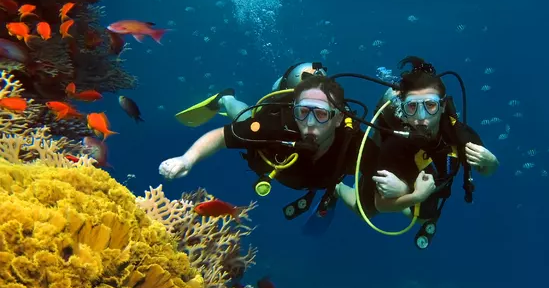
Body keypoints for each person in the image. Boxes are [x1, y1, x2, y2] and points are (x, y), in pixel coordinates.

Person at [160, 72, 365, 234]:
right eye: (303, 112)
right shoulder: (277, 126)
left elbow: (385, 178)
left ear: (338, 118)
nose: (310, 123)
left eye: (321, 114)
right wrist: (187, 159)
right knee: (245, 118)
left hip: (324, 178)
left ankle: (335, 189)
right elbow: (221, 136)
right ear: (294, 110)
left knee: (337, 184)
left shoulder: (353, 142)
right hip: (265, 155)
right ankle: (226, 99)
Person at [336, 56, 499, 248]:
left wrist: (492, 162)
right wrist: (415, 196)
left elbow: (486, 170)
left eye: (430, 105)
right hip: (403, 177)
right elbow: (381, 205)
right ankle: (336, 187)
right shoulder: (394, 144)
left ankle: (408, 196)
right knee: (365, 210)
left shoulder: (460, 135)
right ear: (403, 109)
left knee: (423, 218)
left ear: (443, 105)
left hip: (427, 184)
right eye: (412, 107)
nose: (422, 118)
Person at [174, 62, 330, 128]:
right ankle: (226, 99)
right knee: (249, 121)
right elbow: (221, 137)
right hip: (277, 107)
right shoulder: (278, 112)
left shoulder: (338, 115)